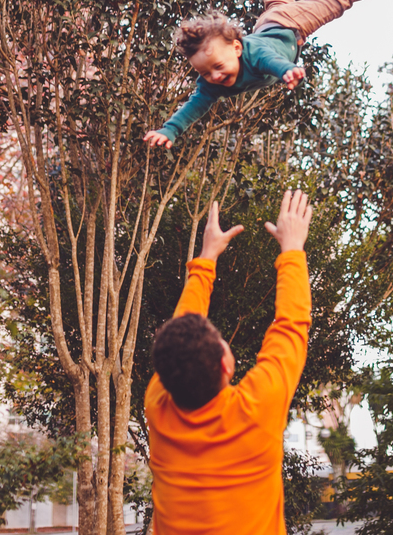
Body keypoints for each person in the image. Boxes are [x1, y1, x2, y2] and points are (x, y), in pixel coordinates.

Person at [145, 190, 314, 535]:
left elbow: (291, 327)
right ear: (226, 366)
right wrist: (292, 248)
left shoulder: (158, 407)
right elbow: (290, 325)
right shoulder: (256, 410)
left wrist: (207, 257)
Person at [143, 0, 393, 147]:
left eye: (216, 66)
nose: (214, 76)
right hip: (271, 22)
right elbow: (193, 107)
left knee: (336, 2)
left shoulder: (253, 52)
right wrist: (169, 130)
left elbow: (269, 60)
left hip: (290, 24)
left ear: (237, 48)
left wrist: (285, 70)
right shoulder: (210, 85)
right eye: (205, 72)